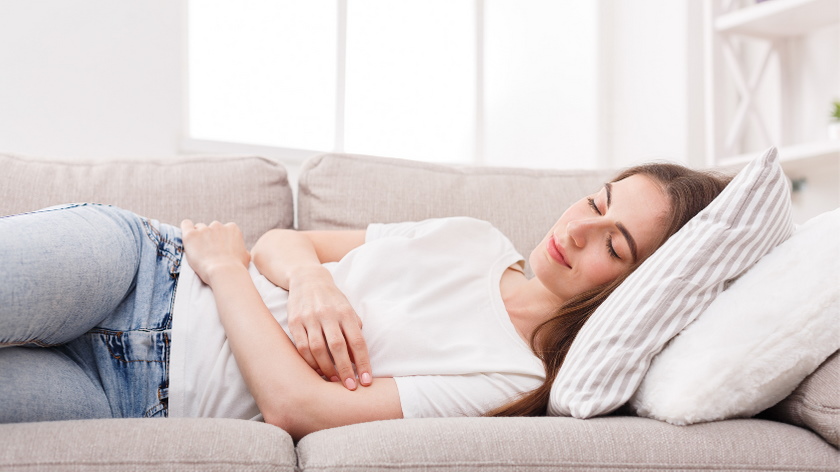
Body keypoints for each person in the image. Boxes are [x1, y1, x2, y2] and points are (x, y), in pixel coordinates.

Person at [0, 162, 729, 440]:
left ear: (643, 286)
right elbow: (285, 244)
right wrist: (311, 280)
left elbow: (298, 409)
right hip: (141, 268)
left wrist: (229, 273)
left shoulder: (513, 379)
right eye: (595, 201)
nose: (579, 227)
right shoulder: (473, 236)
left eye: (616, 244)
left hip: (136, 398)